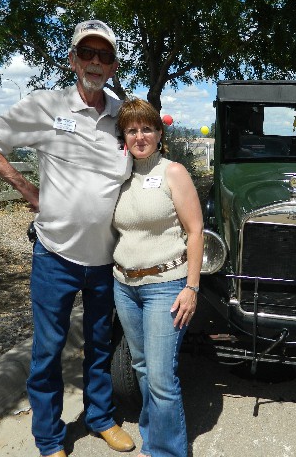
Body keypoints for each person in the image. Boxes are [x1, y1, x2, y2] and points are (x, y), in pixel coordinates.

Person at [0, 20, 135, 457]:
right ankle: (48, 437)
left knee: (101, 345)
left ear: (115, 65)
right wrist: (26, 190)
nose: (95, 62)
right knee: (47, 352)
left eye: (105, 55)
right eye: (88, 54)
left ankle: (100, 418)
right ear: (73, 59)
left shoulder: (124, 116)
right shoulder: (45, 106)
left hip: (106, 259)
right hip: (55, 256)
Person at [112, 98, 203, 457]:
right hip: (125, 286)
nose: (139, 136)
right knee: (142, 368)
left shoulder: (173, 172)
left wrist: (192, 288)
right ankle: (154, 438)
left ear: (159, 133)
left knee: (163, 378)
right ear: (124, 137)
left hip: (166, 285)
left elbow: (195, 231)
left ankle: (168, 452)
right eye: (132, 130)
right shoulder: (118, 175)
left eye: (146, 128)